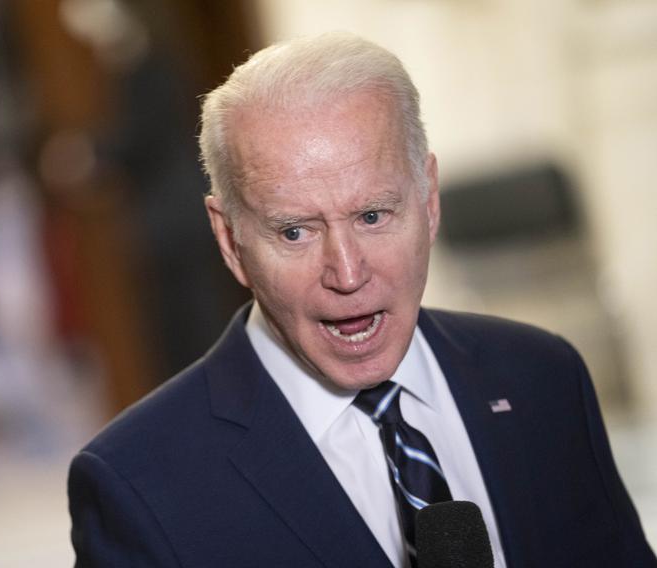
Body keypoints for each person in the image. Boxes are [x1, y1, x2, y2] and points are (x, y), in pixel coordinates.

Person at [67, 32, 656, 567]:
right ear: (230, 240)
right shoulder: (137, 485)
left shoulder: (543, 378)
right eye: (295, 231)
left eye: (373, 215)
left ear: (428, 203)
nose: (347, 274)